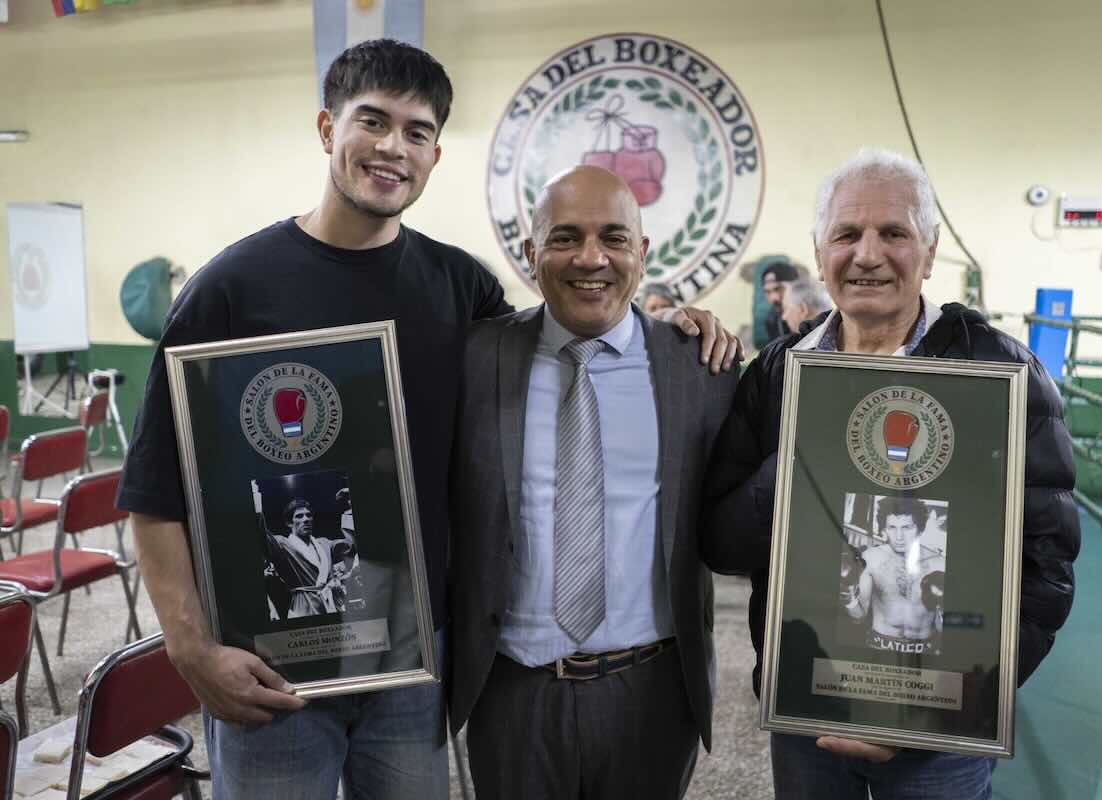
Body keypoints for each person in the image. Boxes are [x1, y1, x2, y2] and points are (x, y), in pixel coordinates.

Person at [116, 40, 740, 800]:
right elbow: (154, 490)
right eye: (372, 121)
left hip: (413, 664)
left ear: (435, 155)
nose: (391, 147)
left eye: (416, 132)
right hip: (272, 658)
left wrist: (667, 321)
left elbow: (573, 330)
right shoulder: (230, 288)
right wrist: (189, 647)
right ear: (326, 129)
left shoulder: (461, 289)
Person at [701, 148, 1079, 798]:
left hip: (938, 730)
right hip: (807, 708)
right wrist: (794, 466)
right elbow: (721, 540)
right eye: (847, 234)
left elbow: (1046, 571)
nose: (868, 254)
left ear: (929, 253)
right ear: (820, 254)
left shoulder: (999, 376)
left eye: (894, 233)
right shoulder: (776, 373)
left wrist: (950, 704)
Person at [448, 165, 738, 799]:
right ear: (530, 253)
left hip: (652, 692)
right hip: (513, 691)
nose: (590, 259)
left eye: (613, 237)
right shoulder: (472, 360)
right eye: (564, 238)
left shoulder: (701, 369)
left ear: (643, 252)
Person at [842, 496, 944, 654]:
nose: (899, 537)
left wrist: (943, 610)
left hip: (924, 652)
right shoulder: (871, 558)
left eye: (906, 527)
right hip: (879, 647)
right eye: (892, 527)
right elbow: (859, 617)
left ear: (920, 528)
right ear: (884, 529)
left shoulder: (939, 564)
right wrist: (848, 596)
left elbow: (943, 628)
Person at [255, 486, 357, 620]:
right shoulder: (283, 545)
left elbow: (353, 542)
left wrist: (352, 503)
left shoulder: (325, 544)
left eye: (309, 515)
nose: (306, 519)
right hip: (303, 608)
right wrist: (254, 495)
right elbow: (261, 533)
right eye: (299, 516)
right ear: (289, 523)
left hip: (333, 605)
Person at [758, 259, 799, 345]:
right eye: (768, 292)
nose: (774, 298)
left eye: (779, 289)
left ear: (795, 286)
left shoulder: (815, 313)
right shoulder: (772, 320)